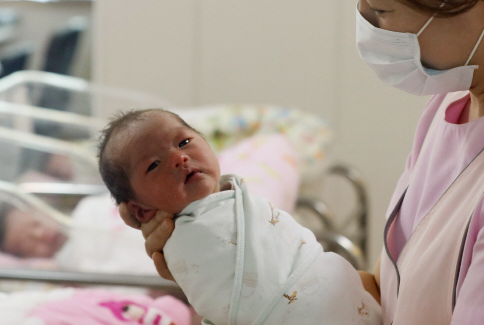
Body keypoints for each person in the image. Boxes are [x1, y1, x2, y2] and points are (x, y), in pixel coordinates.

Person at [126, 0, 484, 324]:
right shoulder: (451, 108)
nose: (365, 19)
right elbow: (389, 295)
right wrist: (238, 277)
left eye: (379, 5)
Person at [98, 109, 381, 325]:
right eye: (155, 164)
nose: (178, 158)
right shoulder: (177, 237)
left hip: (336, 296)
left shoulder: (236, 196)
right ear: (140, 210)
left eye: (184, 141)